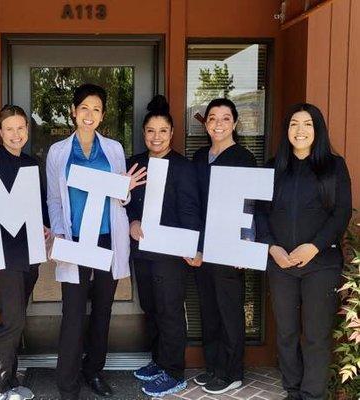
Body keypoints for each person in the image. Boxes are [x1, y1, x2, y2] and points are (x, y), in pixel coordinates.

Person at [46, 83, 146, 400]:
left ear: (102, 115)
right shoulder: (58, 152)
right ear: (74, 112)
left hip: (107, 238)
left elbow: (122, 196)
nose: (90, 115)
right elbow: (53, 199)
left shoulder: (114, 149)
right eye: (85, 108)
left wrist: (126, 187)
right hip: (76, 240)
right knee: (73, 313)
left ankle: (94, 371)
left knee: (102, 310)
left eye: (97, 109)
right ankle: (68, 384)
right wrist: (60, 233)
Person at [257, 103, 352, 400]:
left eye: (307, 124)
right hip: (280, 263)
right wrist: (272, 247)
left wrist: (313, 247)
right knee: (285, 333)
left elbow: (341, 214)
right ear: (286, 131)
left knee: (315, 335)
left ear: (317, 130)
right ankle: (293, 390)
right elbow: (259, 213)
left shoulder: (334, 166)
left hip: (320, 264)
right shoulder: (274, 167)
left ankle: (312, 395)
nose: (300, 130)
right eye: (294, 124)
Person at [126, 95, 202, 396]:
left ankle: (174, 371)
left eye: (162, 131)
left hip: (172, 253)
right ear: (144, 133)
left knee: (170, 309)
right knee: (151, 307)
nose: (156, 137)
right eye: (150, 131)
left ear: (171, 134)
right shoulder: (135, 164)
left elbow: (190, 210)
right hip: (142, 249)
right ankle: (158, 361)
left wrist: (191, 246)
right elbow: (126, 202)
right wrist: (131, 221)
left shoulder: (183, 167)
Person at [0, 105, 51, 400]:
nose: (16, 134)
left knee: (14, 319)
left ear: (27, 131)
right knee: (13, 321)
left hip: (28, 254)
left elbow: (38, 206)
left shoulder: (32, 164)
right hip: (1, 255)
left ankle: (8, 380)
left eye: (21, 128)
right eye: (10, 128)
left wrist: (44, 226)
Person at [191, 98, 257, 395]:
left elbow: (251, 205)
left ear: (235, 123)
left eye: (225, 118)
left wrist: (245, 245)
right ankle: (215, 367)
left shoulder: (243, 157)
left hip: (230, 245)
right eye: (213, 118)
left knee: (229, 309)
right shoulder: (199, 157)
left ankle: (233, 372)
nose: (218, 124)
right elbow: (193, 203)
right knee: (209, 308)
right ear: (205, 123)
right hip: (204, 245)